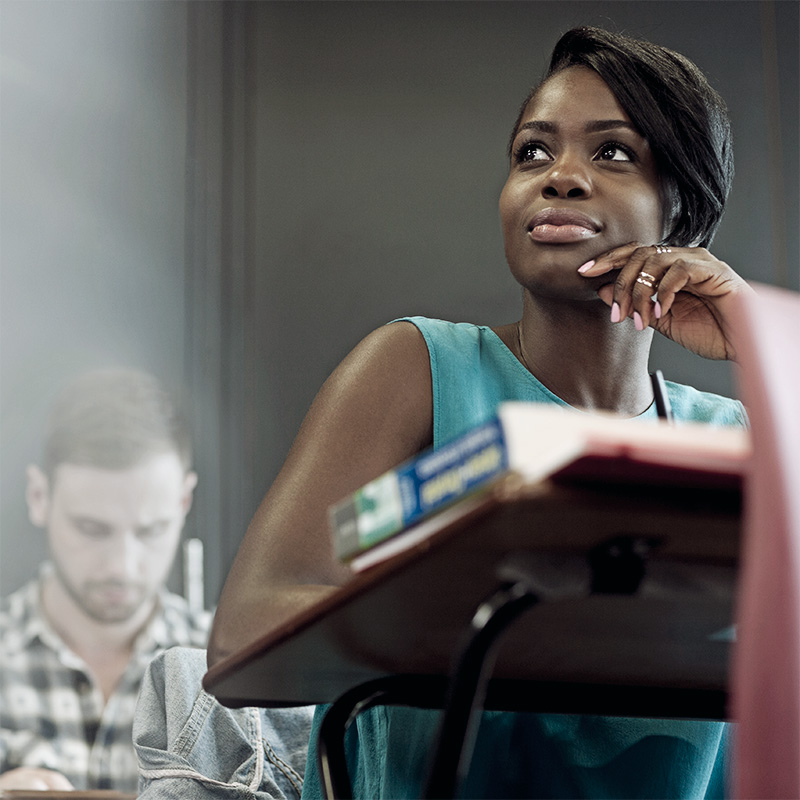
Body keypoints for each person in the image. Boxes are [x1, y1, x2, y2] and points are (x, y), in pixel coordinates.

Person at [207, 26, 754, 798]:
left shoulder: (733, 436)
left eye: (613, 153)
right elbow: (246, 630)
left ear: (684, 214)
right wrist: (511, 620)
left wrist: (753, 342)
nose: (559, 177)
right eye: (533, 152)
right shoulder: (415, 368)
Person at [0, 368, 211, 793]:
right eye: (93, 529)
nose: (122, 566)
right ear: (39, 497)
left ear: (184, 501)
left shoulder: (231, 665)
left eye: (151, 530)